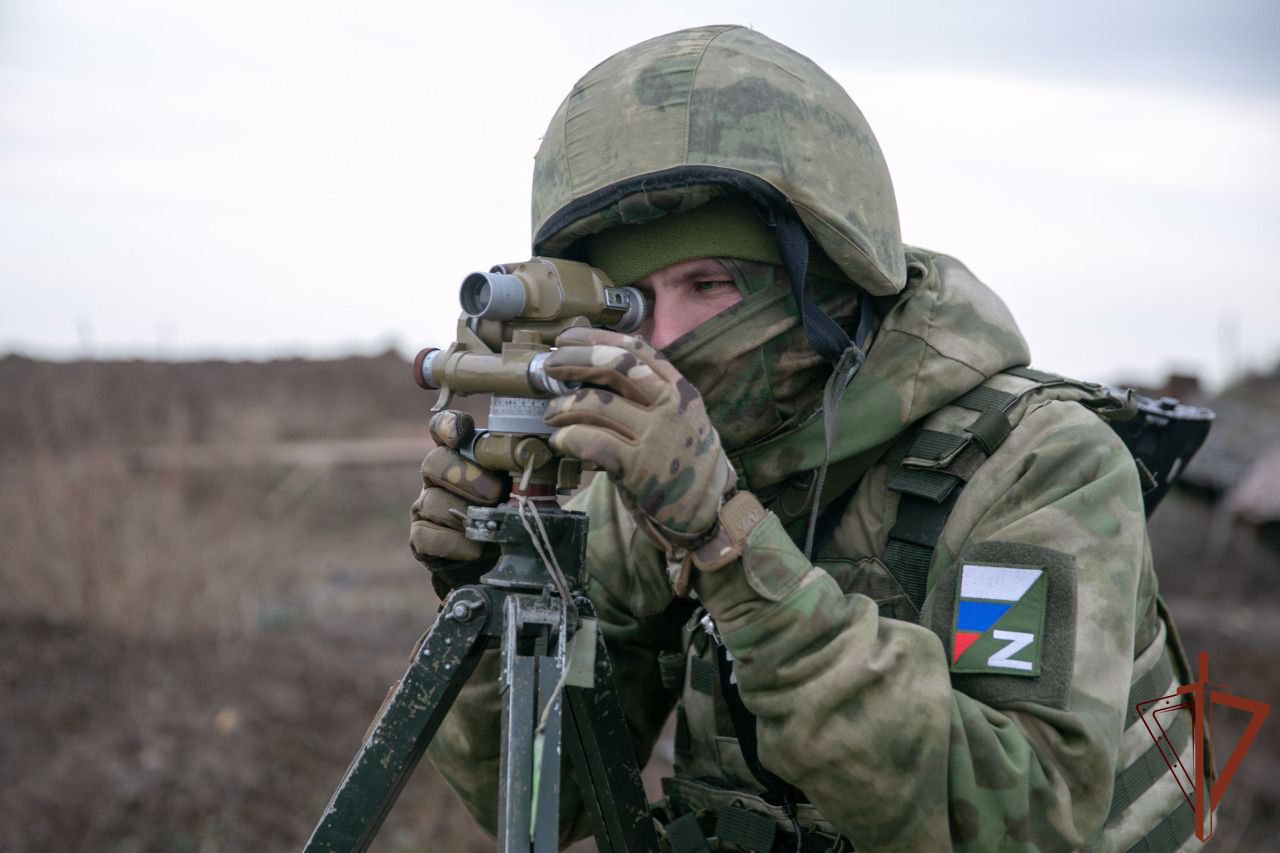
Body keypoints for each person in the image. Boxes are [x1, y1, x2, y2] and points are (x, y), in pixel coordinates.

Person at [410, 25, 1202, 852]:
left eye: (709, 285)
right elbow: (547, 795)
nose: (667, 339)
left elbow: (1021, 820)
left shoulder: (1035, 466)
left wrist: (727, 544)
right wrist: (498, 591)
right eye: (634, 305)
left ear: (823, 282)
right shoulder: (654, 479)